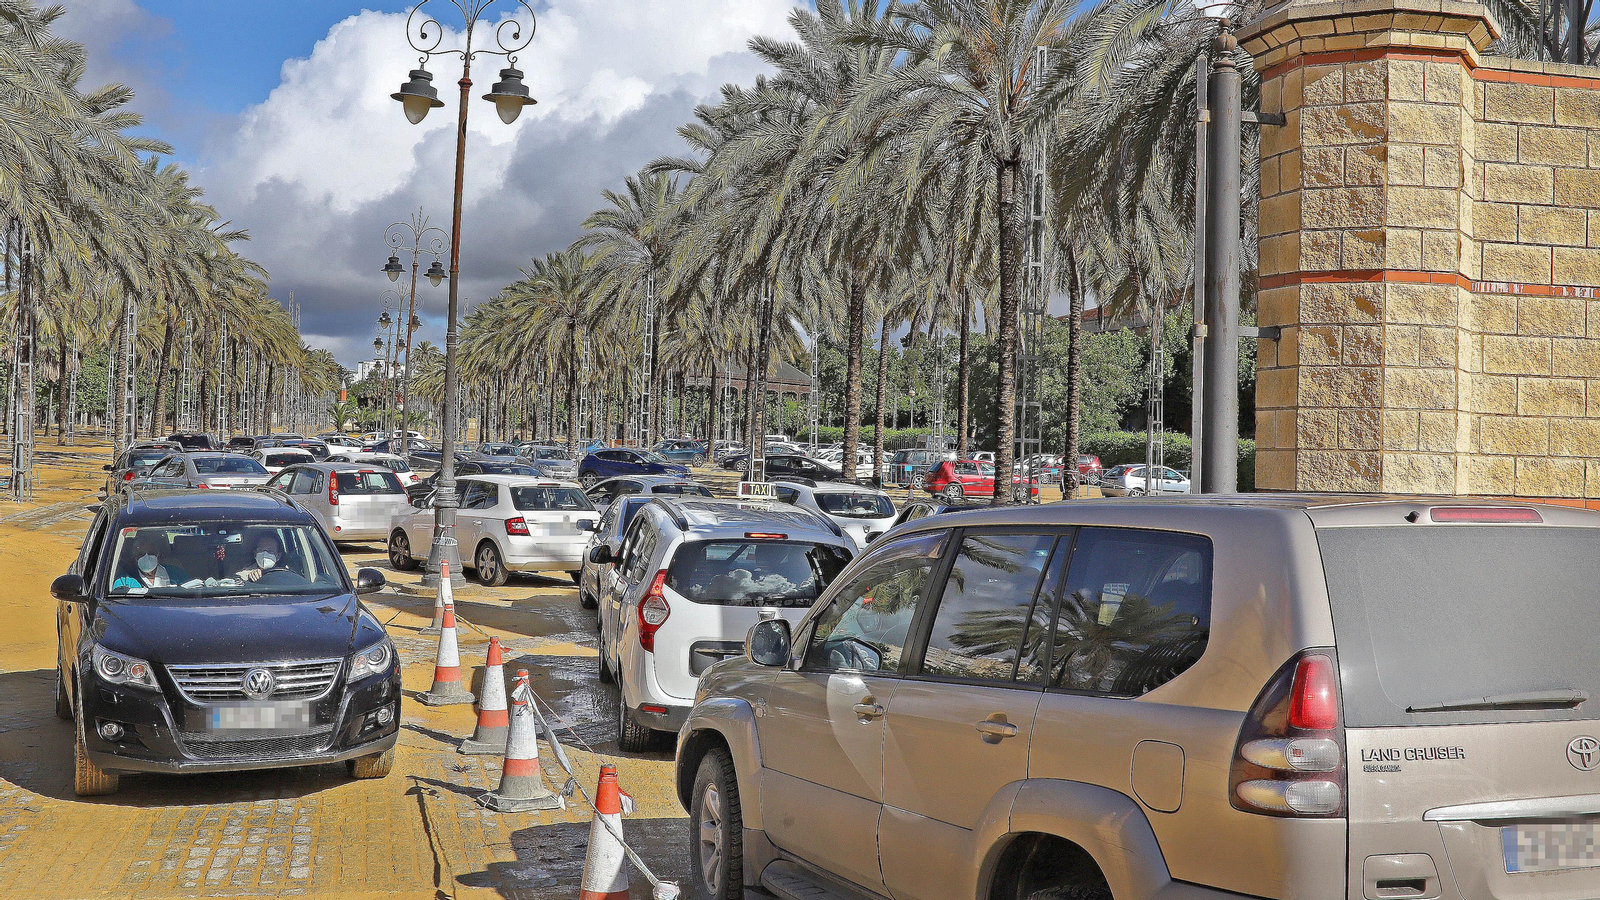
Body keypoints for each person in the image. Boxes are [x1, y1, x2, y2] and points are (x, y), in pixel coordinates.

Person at [111, 531, 189, 593]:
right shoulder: (125, 580)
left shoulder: (176, 573)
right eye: (141, 554)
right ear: (135, 557)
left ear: (158, 555)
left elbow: (192, 588)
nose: (146, 557)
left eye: (151, 553)